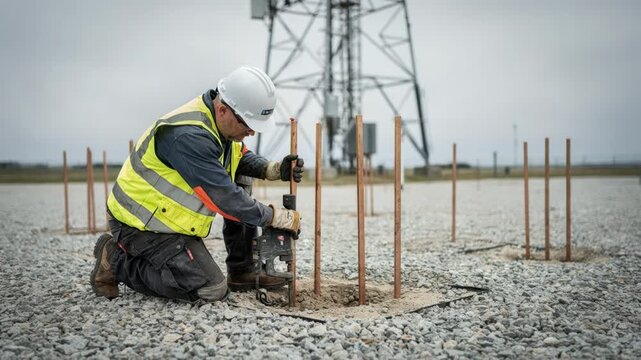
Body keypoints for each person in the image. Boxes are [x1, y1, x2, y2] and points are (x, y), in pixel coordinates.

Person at [90, 66, 304, 303]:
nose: (252, 132)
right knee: (210, 290)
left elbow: (237, 157)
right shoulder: (188, 136)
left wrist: (271, 169)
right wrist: (275, 217)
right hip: (139, 225)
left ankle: (241, 269)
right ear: (223, 110)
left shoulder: (221, 126)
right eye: (248, 125)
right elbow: (225, 198)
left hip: (167, 223)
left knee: (241, 177)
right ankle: (115, 261)